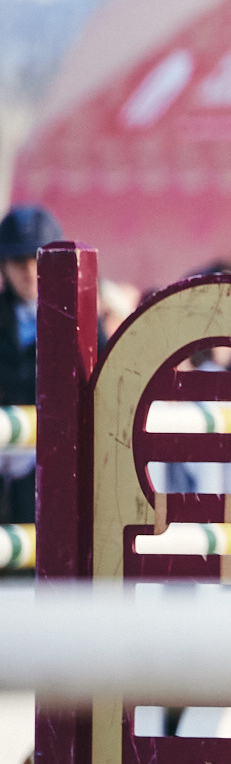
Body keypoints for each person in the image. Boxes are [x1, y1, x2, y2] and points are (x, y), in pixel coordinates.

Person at [0, 204, 58, 526]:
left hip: (54, 456)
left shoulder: (79, 316)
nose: (27, 269)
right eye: (17, 260)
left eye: (36, 259)